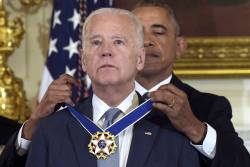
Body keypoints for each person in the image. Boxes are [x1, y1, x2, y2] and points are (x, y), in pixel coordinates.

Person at [25, 8, 200, 167]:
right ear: (84, 61)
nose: (106, 51)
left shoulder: (172, 130)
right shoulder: (51, 130)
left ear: (140, 59)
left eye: (118, 42)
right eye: (96, 42)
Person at [132, 0, 250, 167]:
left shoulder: (210, 106)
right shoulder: (100, 105)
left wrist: (194, 127)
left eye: (158, 32)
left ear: (179, 46)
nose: (146, 41)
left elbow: (241, 163)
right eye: (137, 33)